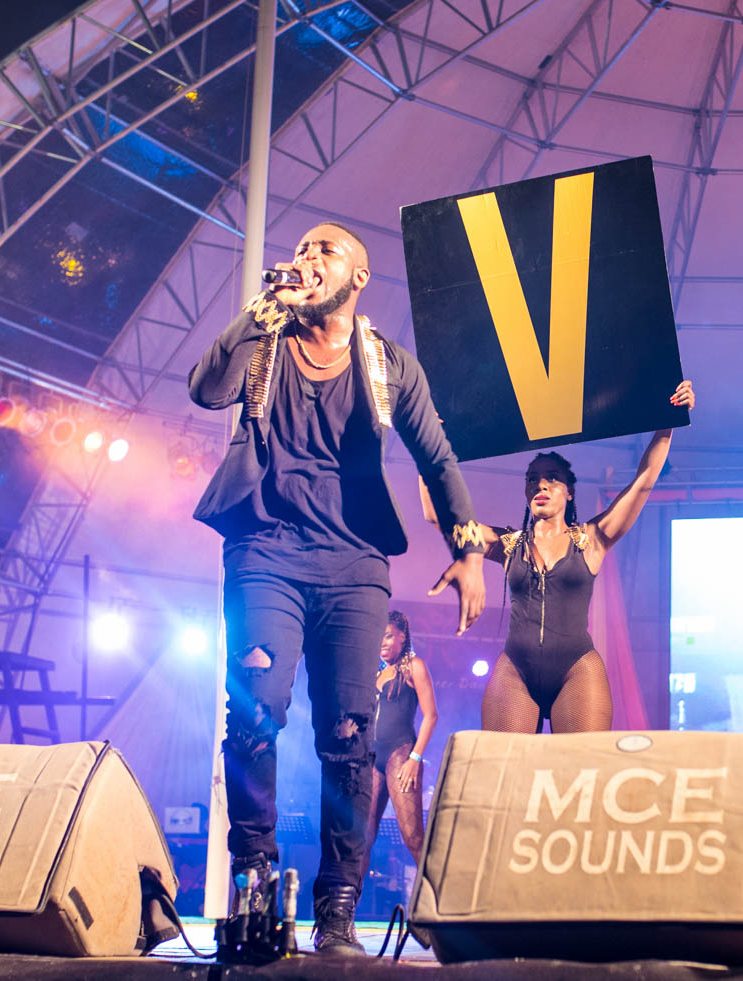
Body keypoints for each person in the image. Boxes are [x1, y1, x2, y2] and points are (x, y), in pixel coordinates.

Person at [188, 223, 488, 955]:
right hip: (265, 552)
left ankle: (338, 908)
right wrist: (258, 312)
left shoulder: (387, 363)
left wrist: (469, 551)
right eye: (303, 248)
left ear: (359, 277)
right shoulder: (266, 338)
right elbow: (205, 389)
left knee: (350, 734)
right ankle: (256, 883)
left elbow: (437, 455)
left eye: (326, 250)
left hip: (354, 565)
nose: (308, 258)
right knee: (254, 712)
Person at [449, 383, 694, 733]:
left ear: (569, 492)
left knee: (581, 764)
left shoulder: (591, 540)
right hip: (515, 672)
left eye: (552, 478)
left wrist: (667, 424)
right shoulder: (509, 544)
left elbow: (643, 482)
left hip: (576, 671)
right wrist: (429, 444)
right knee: (503, 764)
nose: (541, 485)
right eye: (533, 479)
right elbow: (448, 524)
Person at [366, 611, 435, 874]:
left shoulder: (414, 666)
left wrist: (415, 759)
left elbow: (431, 716)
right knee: (363, 839)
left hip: (401, 754)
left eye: (387, 636)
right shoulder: (376, 674)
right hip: (372, 758)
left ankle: (436, 896)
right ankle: (349, 899)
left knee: (413, 837)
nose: (381, 643)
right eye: (378, 637)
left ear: (402, 637)